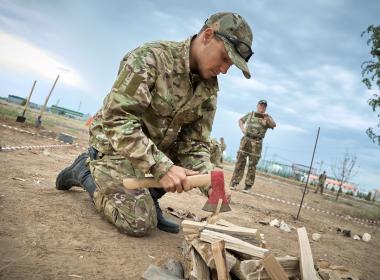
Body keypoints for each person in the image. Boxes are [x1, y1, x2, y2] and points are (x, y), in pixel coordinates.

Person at [55, 12, 254, 237]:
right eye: (225, 58)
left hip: (149, 156)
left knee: (185, 159)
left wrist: (211, 182)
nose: (225, 70)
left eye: (232, 65)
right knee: (139, 223)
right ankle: (84, 171)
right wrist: (162, 167)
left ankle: (147, 196)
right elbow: (117, 120)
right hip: (113, 148)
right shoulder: (151, 58)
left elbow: (194, 146)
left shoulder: (208, 90)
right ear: (207, 36)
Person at [230, 100, 276, 192]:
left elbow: (273, 125)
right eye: (261, 105)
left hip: (257, 143)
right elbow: (240, 120)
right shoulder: (250, 114)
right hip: (246, 140)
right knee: (240, 161)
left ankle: (248, 186)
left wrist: (267, 119)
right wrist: (243, 129)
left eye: (264, 106)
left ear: (265, 108)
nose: (262, 107)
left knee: (252, 164)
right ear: (257, 105)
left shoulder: (267, 117)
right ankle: (234, 183)